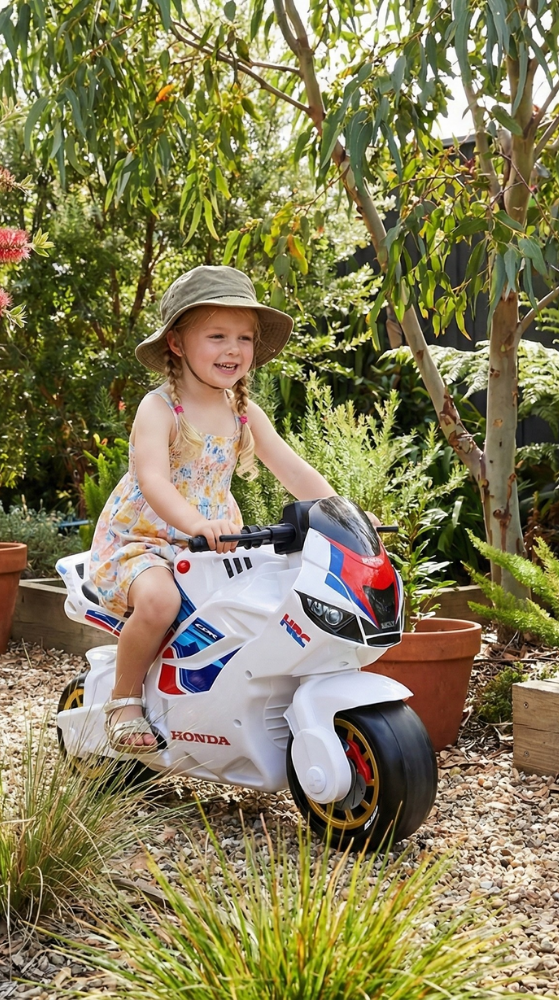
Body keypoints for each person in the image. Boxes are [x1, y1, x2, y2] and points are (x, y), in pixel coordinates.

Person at [88, 265, 337, 752]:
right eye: (217, 335)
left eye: (244, 338)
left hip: (214, 543)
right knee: (161, 602)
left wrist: (342, 512)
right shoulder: (159, 408)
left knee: (259, 606)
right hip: (143, 542)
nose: (234, 349)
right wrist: (199, 523)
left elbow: (295, 471)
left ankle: (223, 708)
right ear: (178, 343)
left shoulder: (243, 411)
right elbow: (154, 479)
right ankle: (124, 700)